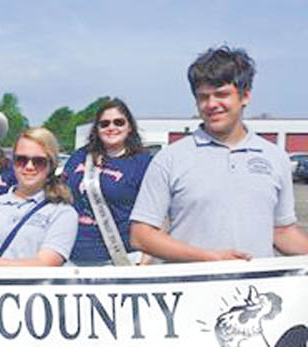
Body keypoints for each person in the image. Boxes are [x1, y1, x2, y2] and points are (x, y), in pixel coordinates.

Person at [130, 46, 308, 261]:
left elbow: (282, 232)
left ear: (245, 96)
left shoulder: (275, 157)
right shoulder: (170, 159)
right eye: (203, 97)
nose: (212, 104)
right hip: (193, 290)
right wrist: (207, 258)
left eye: (221, 94)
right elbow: (141, 235)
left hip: (255, 291)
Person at [0, 127, 77, 268]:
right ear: (13, 162)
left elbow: (46, 263)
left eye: (39, 161)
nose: (29, 167)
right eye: (21, 160)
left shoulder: (63, 213)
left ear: (51, 165)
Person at [62, 98, 152, 266]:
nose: (112, 128)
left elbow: (155, 211)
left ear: (129, 127)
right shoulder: (79, 157)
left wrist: (147, 258)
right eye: (104, 124)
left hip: (120, 255)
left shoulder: (142, 162)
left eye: (118, 122)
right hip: (74, 253)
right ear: (97, 129)